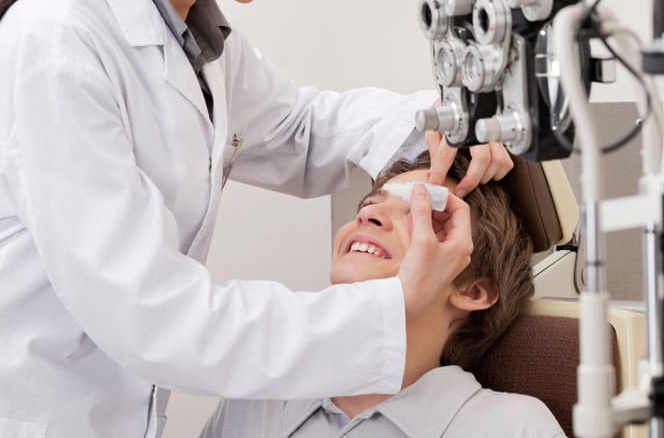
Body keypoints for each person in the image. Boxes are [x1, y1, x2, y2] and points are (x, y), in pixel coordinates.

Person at [0, 0, 514, 437]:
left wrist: (444, 119)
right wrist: (390, 307)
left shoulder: (202, 46)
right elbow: (153, 315)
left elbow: (301, 130)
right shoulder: (58, 47)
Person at [200, 150, 565, 438]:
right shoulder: (256, 401)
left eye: (425, 216)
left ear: (474, 290)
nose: (368, 215)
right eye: (369, 204)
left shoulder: (512, 427)